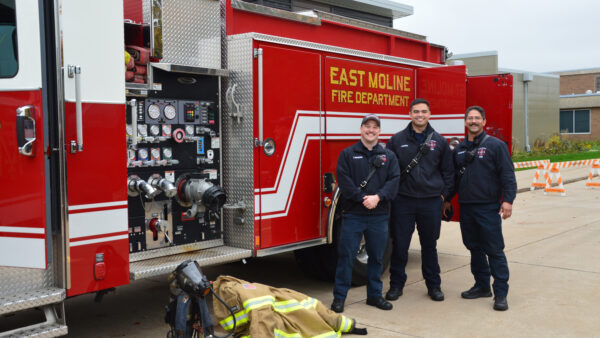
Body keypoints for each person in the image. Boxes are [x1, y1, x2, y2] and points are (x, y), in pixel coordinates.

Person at [443, 105, 517, 311]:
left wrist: (508, 200)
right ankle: (482, 285)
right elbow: (455, 179)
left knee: (494, 249)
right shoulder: (458, 150)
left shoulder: (495, 145)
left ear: (484, 122)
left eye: (477, 118)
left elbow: (508, 175)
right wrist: (447, 198)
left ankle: (500, 293)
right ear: (465, 122)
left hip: (488, 207)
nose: (473, 121)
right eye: (470, 118)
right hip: (466, 207)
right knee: (473, 247)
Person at [384, 98, 454, 302]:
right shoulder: (396, 140)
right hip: (403, 202)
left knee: (429, 246)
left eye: (423, 111)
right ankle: (396, 286)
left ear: (429, 114)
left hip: (430, 202)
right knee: (400, 246)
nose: (420, 115)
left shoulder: (439, 141)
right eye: (416, 112)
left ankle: (434, 286)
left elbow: (448, 172)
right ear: (409, 114)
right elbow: (390, 172)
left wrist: (444, 196)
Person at [331, 114, 400, 313]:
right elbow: (344, 181)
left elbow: (394, 180)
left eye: (375, 127)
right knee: (346, 257)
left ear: (379, 131)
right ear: (361, 129)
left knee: (377, 258)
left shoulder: (389, 156)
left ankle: (375, 296)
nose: (371, 130)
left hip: (379, 215)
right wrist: (363, 199)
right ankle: (339, 298)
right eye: (367, 126)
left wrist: (377, 198)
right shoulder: (348, 154)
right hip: (354, 215)